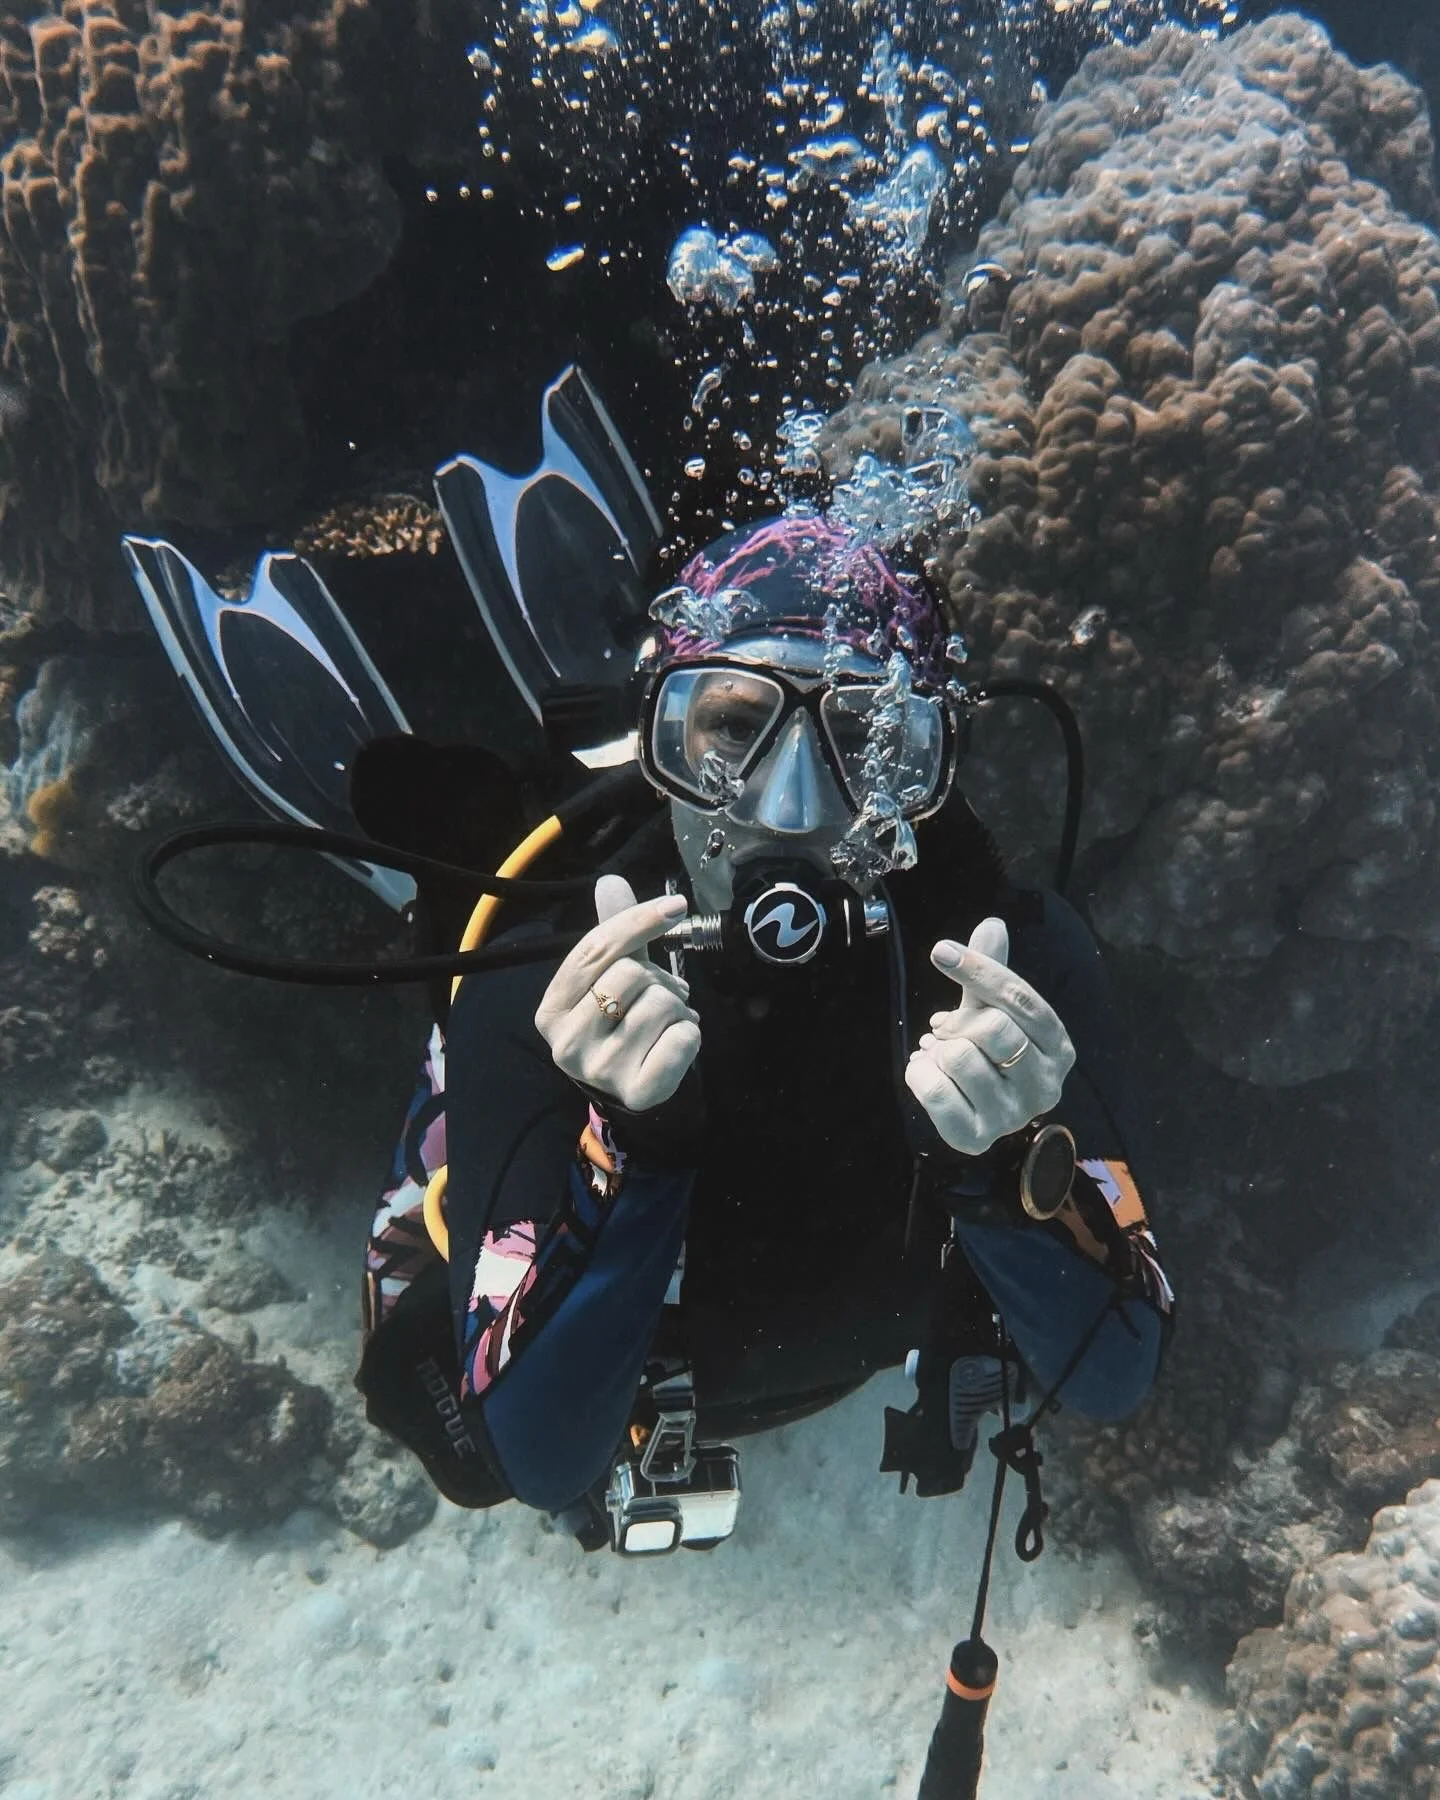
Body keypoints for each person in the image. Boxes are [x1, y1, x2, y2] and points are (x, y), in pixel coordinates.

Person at [357, 512, 1173, 1553]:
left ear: (925, 765)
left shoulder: (1015, 965)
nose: (791, 809)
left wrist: (1002, 1166)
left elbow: (1112, 1376)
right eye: (732, 729)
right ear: (663, 742)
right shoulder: (539, 983)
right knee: (445, 1425)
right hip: (644, 1380)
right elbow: (542, 1457)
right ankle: (440, 847)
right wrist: (629, 1142)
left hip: (820, 1345)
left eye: (858, 740)